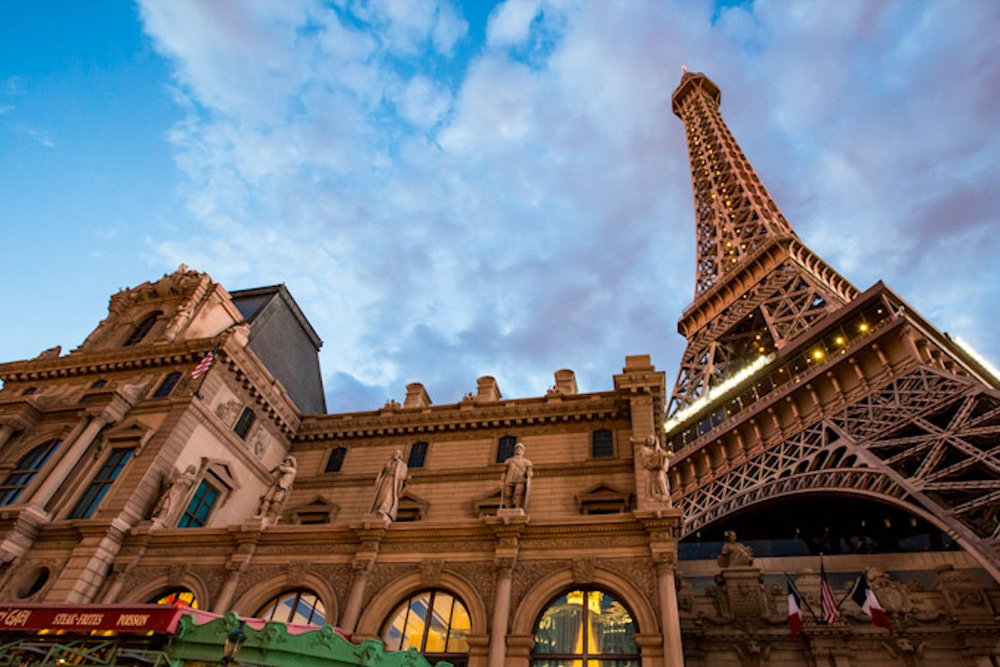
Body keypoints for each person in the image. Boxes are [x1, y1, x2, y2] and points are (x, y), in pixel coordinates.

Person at [370, 450, 408, 520]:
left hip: (394, 482)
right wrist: (378, 481)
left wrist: (403, 482)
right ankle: (377, 509)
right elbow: (381, 473)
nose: (395, 454)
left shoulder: (402, 465)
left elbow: (403, 477)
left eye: (397, 453)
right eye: (394, 453)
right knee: (381, 495)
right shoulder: (388, 463)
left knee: (389, 496)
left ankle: (384, 509)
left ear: (400, 455)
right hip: (385, 480)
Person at [257, 456, 297, 521]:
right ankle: (262, 514)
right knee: (267, 498)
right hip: (276, 484)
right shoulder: (287, 469)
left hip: (283, 487)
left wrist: (279, 466)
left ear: (292, 463)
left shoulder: (292, 470)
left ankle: (271, 517)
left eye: (288, 461)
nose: (286, 462)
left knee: (276, 501)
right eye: (286, 461)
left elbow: (279, 468)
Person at [634, 434, 671, 502]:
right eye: (648, 439)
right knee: (648, 482)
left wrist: (667, 456)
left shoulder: (659, 450)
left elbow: (666, 456)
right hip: (647, 467)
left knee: (660, 479)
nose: (649, 440)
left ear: (655, 440)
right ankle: (649, 496)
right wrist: (649, 464)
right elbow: (642, 460)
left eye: (651, 439)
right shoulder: (643, 450)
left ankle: (664, 494)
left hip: (657, 468)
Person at [501, 442, 533, 510]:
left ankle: (517, 507)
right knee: (507, 494)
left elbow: (529, 471)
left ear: (523, 451)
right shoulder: (509, 460)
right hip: (509, 479)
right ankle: (508, 508)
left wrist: (529, 473)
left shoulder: (527, 462)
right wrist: (502, 481)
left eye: (520, 449)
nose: (518, 450)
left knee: (518, 494)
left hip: (520, 479)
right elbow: (504, 472)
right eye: (517, 449)